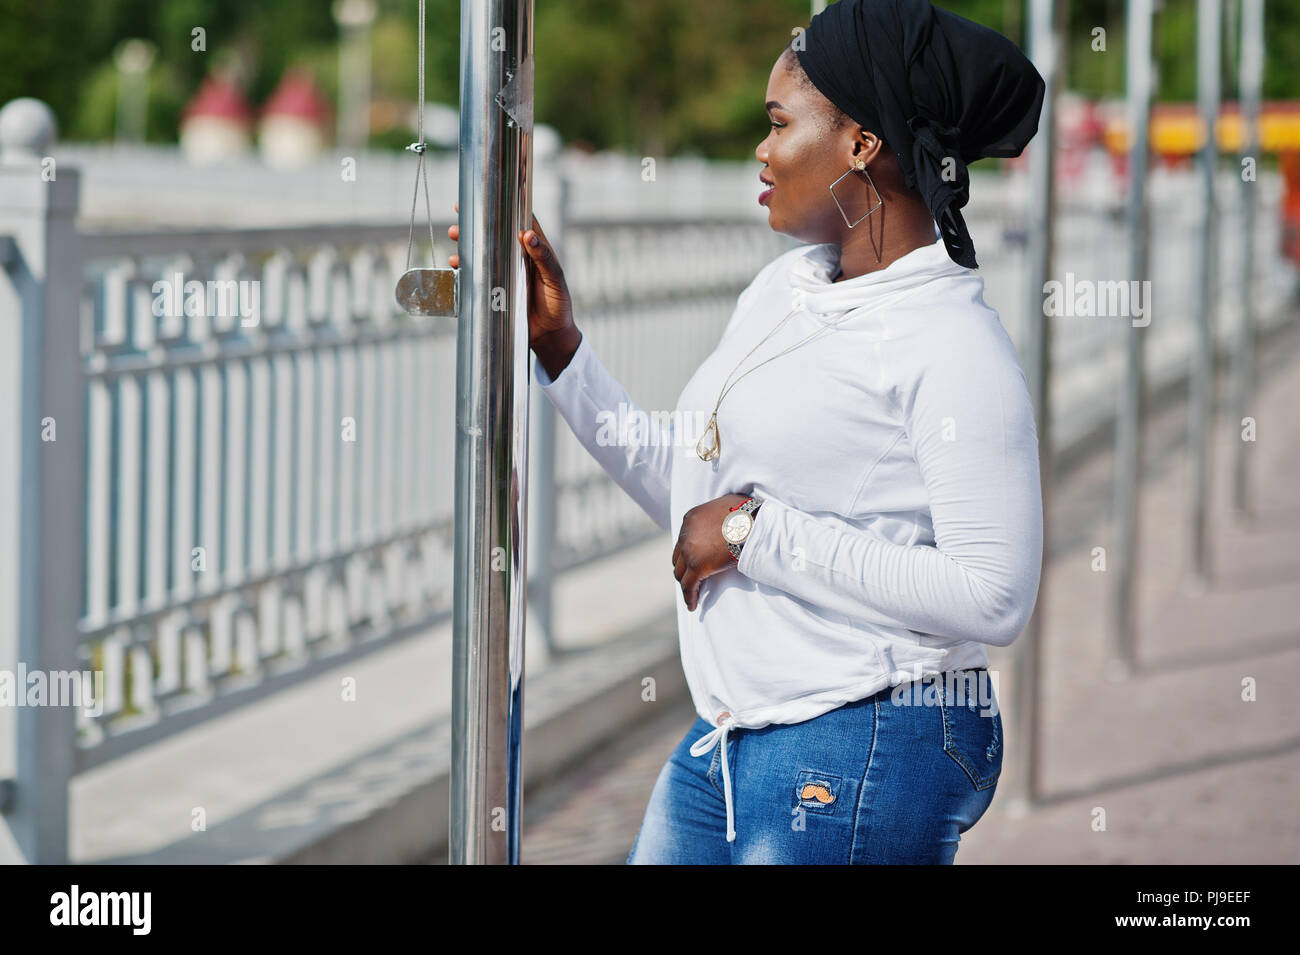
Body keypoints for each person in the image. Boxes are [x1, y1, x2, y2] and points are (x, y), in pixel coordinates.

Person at [449, 0, 1046, 865]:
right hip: (730, 738)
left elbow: (995, 593)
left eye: (778, 125)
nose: (761, 152)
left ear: (861, 145)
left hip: (868, 731)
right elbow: (697, 501)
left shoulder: (950, 343)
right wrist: (562, 353)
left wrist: (752, 534)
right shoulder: (786, 291)